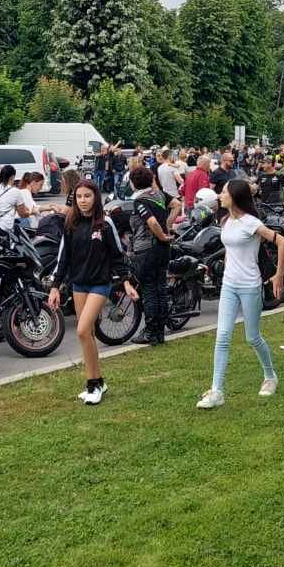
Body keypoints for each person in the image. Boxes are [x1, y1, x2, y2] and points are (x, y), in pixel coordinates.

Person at [196, 178, 284, 410]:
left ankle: (270, 376)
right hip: (229, 286)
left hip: (250, 287)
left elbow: (283, 243)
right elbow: (230, 250)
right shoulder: (225, 220)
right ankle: (217, 391)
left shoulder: (251, 223)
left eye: (224, 192)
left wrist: (278, 275)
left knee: (252, 337)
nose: (220, 195)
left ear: (235, 197)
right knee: (222, 336)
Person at [48, 179, 134, 405]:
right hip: (78, 285)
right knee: (88, 335)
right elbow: (63, 258)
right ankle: (98, 382)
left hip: (100, 284)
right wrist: (55, 286)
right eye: (79, 197)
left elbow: (117, 255)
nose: (83, 200)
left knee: (82, 330)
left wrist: (126, 281)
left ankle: (93, 384)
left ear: (95, 197)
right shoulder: (71, 222)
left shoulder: (105, 223)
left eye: (87, 196)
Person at [127, 165, 174, 346]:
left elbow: (152, 222)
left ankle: (150, 332)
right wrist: (167, 227)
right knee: (161, 289)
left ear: (133, 183)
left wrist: (161, 234)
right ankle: (160, 333)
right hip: (163, 249)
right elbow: (177, 204)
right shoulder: (159, 195)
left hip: (147, 250)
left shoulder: (140, 201)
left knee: (149, 291)